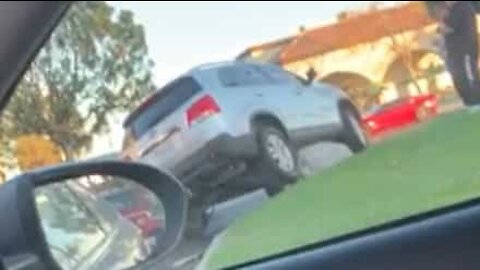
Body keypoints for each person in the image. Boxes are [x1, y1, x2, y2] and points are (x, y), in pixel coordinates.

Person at [426, 1, 480, 108]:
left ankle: (476, 101)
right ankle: (469, 102)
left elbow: (449, 28)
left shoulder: (462, 7)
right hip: (455, 52)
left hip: (466, 49)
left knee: (468, 75)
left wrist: (441, 26)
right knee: (458, 77)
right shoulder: (451, 11)